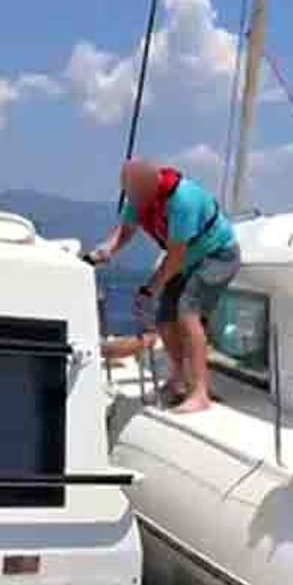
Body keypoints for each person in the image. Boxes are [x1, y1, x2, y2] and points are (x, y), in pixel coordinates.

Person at [87, 159, 240, 413]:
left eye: (136, 195)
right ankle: (178, 380)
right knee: (164, 317)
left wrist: (151, 289)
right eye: (129, 194)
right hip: (186, 260)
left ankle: (200, 393)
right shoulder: (138, 196)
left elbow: (176, 257)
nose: (133, 201)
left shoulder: (183, 201)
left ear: (152, 185)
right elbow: (126, 230)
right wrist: (107, 249)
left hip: (217, 256)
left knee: (187, 311)